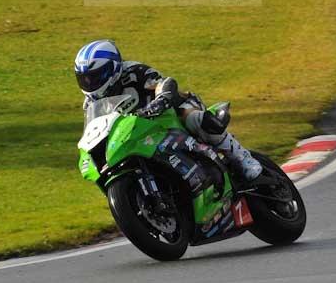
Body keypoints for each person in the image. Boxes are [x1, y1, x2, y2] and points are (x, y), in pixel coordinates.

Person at [74, 39, 263, 181]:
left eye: (95, 77)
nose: (90, 83)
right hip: (136, 135)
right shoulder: (90, 103)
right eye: (85, 79)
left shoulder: (134, 71)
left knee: (195, 119)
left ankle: (242, 158)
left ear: (113, 68)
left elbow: (163, 84)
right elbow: (94, 128)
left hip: (169, 113)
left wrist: (161, 99)